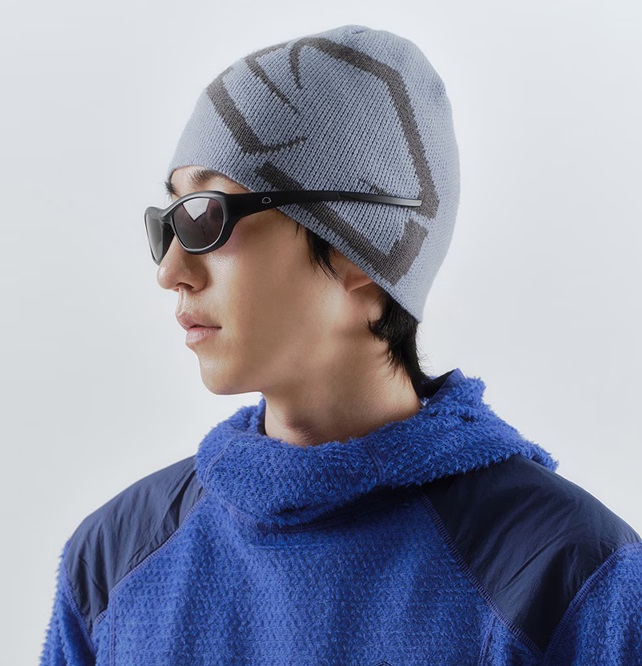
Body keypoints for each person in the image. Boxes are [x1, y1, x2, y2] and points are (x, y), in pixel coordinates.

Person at [40, 24, 642, 665]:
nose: (171, 271)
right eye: (170, 221)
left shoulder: (567, 575)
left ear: (365, 246)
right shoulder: (111, 561)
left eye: (206, 215)